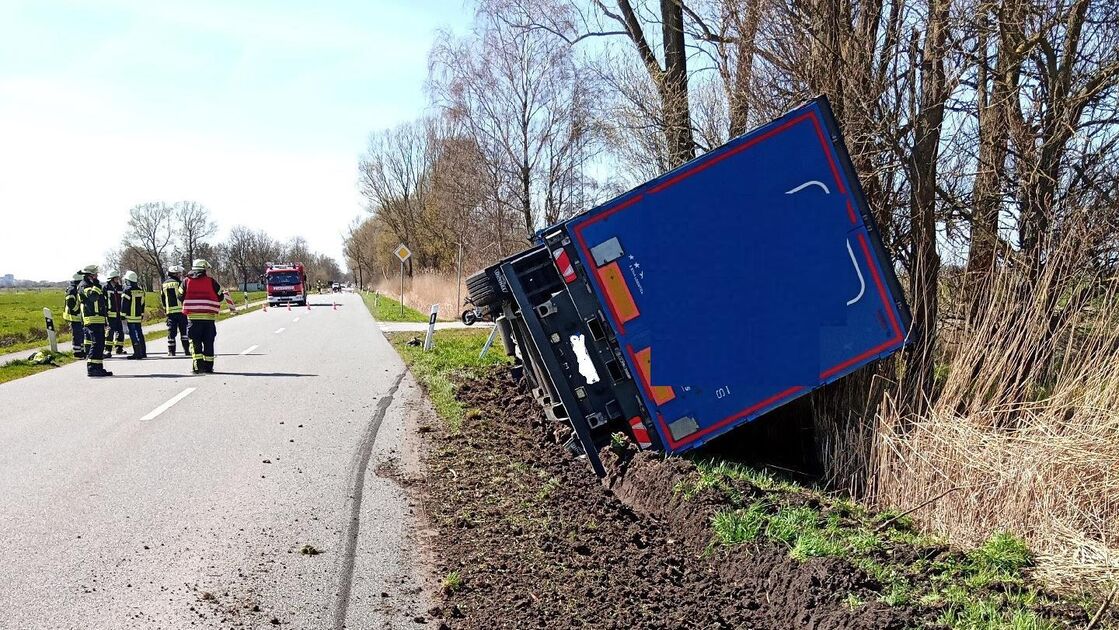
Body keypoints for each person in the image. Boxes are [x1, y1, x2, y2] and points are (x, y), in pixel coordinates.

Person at [182, 259, 235, 374]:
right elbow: (220, 296)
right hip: (208, 319)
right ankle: (209, 367)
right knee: (208, 343)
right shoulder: (211, 282)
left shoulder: (186, 281)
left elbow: (179, 295)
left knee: (195, 343)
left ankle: (197, 368)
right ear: (204, 269)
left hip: (193, 319)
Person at [77, 264, 112, 377]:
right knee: (96, 344)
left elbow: (101, 303)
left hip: (99, 319)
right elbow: (92, 297)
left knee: (100, 344)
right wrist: (96, 286)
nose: (97, 276)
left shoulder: (93, 285)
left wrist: (105, 319)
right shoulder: (84, 285)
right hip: (91, 319)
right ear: (90, 275)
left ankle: (99, 368)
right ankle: (91, 368)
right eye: (95, 274)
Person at [161, 265, 189, 357]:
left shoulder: (164, 284)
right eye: (179, 273)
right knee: (184, 332)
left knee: (171, 333)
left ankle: (171, 352)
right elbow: (184, 296)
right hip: (181, 311)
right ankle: (187, 351)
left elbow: (163, 298)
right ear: (175, 274)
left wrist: (165, 309)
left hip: (170, 312)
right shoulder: (180, 283)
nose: (180, 275)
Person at [120, 270, 147, 360]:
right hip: (138, 316)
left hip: (130, 317)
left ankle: (137, 353)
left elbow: (124, 304)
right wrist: (142, 314)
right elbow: (143, 304)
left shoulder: (127, 290)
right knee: (139, 333)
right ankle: (143, 352)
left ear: (128, 280)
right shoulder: (140, 290)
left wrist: (122, 316)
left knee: (133, 335)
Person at [103, 270, 127, 357]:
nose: (117, 279)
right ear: (111, 279)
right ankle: (108, 350)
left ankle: (119, 348)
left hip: (119, 313)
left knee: (120, 331)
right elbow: (103, 302)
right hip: (110, 314)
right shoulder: (105, 288)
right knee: (110, 332)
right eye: (116, 278)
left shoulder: (120, 288)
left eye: (117, 277)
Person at [63, 272, 86, 358]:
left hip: (78, 316)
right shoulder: (72, 289)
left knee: (81, 333)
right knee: (77, 334)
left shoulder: (75, 287)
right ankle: (77, 352)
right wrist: (77, 310)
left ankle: (82, 351)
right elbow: (70, 303)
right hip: (73, 316)